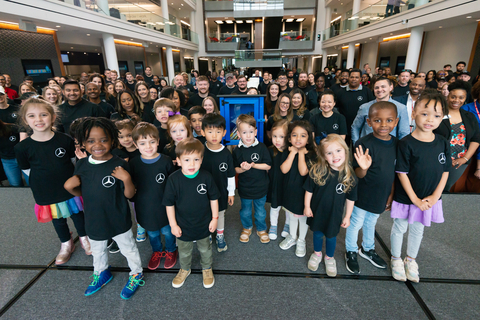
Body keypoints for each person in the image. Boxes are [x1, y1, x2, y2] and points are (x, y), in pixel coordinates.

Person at [64, 117, 143, 299]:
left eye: (103, 139)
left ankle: (136, 273)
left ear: (112, 140)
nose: (97, 145)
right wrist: (70, 187)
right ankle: (101, 272)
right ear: (83, 143)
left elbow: (130, 195)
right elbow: (84, 193)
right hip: (93, 218)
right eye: (91, 141)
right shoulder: (82, 164)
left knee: (128, 248)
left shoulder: (120, 164)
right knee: (98, 250)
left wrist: (126, 179)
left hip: (118, 217)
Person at [15, 97, 90, 265]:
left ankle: (85, 237)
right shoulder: (22, 147)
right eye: (32, 116)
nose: (39, 120)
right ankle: (66, 243)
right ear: (25, 120)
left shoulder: (64, 140)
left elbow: (73, 162)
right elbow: (27, 170)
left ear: (53, 117)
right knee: (57, 218)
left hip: (69, 188)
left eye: (43, 115)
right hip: (45, 189)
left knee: (78, 213)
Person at [389, 91, 450, 283]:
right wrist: (414, 199)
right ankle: (396, 258)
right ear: (414, 112)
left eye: (436, 115)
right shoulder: (405, 143)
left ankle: (411, 259)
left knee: (418, 229)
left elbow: (445, 171)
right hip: (407, 197)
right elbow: (402, 173)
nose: (430, 119)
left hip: (429, 197)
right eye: (425, 113)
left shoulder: (442, 142)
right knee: (400, 227)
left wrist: (435, 197)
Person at [345, 102, 399, 274]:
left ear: (396, 122)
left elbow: (394, 172)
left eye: (389, 120)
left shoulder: (397, 144)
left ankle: (367, 249)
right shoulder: (363, 143)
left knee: (371, 222)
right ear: (369, 122)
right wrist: (364, 167)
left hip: (381, 194)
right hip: (362, 193)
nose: (383, 125)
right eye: (377, 120)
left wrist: (391, 193)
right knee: (356, 223)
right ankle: (351, 251)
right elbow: (358, 174)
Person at [163, 138, 220, 289]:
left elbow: (214, 199)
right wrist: (173, 225)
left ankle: (207, 268)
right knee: (184, 251)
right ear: (179, 161)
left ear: (202, 160)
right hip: (183, 225)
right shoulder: (173, 180)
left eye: (196, 159)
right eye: (187, 160)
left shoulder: (206, 177)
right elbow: (169, 204)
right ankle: (185, 269)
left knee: (205, 249)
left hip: (203, 223)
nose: (192, 164)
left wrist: (215, 219)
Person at [304, 134, 357, 276]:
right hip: (318, 212)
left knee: (331, 237)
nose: (335, 156)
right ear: (324, 155)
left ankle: (329, 257)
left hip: (335, 214)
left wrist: (347, 216)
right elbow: (309, 190)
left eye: (338, 151)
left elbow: (351, 198)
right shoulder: (318, 170)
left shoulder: (349, 175)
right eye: (329, 153)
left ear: (345, 151)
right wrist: (307, 206)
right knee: (317, 234)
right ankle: (317, 254)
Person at [129, 122, 177, 270]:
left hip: (165, 207)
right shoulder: (134, 163)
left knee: (168, 232)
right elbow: (132, 186)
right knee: (153, 233)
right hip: (145, 207)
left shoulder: (166, 161)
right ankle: (157, 251)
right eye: (142, 143)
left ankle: (171, 250)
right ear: (136, 145)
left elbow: (173, 184)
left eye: (151, 142)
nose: (148, 147)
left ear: (157, 142)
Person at [279, 121, 316, 257]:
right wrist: (292, 154)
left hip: (304, 194)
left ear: (308, 139)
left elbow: (303, 172)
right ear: (289, 138)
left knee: (302, 218)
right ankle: (293, 237)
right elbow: (284, 169)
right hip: (290, 191)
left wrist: (300, 154)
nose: (298, 139)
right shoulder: (288, 151)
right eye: (294, 135)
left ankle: (301, 240)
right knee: (292, 216)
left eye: (303, 136)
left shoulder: (311, 154)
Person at [434, 81, 480, 191]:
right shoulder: (438, 113)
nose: (456, 100)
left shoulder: (469, 116)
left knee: (445, 188)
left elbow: (476, 139)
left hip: (459, 163)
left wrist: (465, 158)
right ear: (448, 95)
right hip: (437, 160)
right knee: (432, 187)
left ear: (465, 98)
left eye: (461, 97)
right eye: (453, 97)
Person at [233, 114, 272, 244]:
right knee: (245, 211)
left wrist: (254, 165)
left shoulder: (261, 147)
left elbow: (268, 165)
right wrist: (243, 169)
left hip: (261, 187)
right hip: (245, 188)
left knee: (260, 211)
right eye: (244, 132)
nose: (248, 136)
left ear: (255, 132)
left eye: (251, 132)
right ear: (238, 134)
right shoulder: (237, 150)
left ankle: (261, 229)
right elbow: (234, 169)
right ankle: (247, 227)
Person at [200, 114, 236, 252]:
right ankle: (208, 235)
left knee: (220, 214)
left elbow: (231, 175)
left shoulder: (226, 154)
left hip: (221, 191)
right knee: (205, 213)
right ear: (203, 132)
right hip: (203, 192)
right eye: (209, 131)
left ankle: (220, 236)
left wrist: (231, 193)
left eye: (218, 131)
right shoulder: (200, 150)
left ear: (224, 133)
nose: (214, 135)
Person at [351, 77, 409, 144]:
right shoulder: (365, 107)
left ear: (391, 87)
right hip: (366, 146)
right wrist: (356, 145)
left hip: (389, 147)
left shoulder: (401, 108)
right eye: (376, 88)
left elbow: (404, 133)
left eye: (383, 87)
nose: (379, 90)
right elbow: (355, 127)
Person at [336, 69, 375, 142]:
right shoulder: (340, 92)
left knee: (358, 150)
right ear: (348, 78)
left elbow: (372, 108)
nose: (354, 79)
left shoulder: (366, 91)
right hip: (344, 127)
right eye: (352, 77)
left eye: (356, 77)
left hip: (361, 128)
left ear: (360, 78)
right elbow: (336, 108)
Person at [267, 119, 289, 240]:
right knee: (274, 207)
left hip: (287, 184)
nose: (277, 140)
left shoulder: (290, 152)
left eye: (281, 136)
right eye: (275, 136)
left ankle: (287, 225)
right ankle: (273, 226)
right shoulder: (270, 150)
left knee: (288, 207)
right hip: (275, 183)